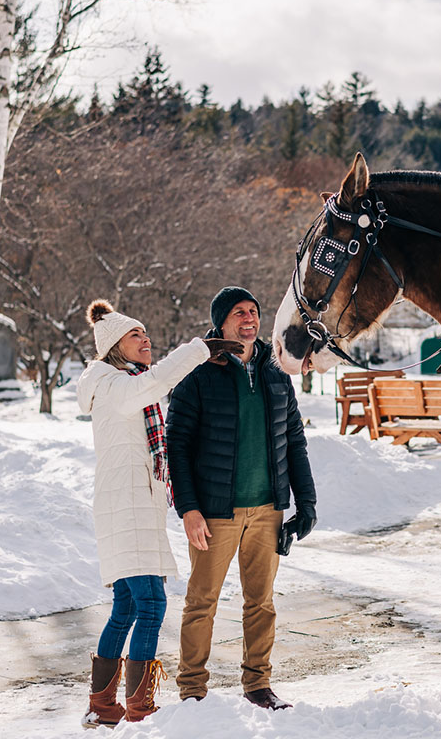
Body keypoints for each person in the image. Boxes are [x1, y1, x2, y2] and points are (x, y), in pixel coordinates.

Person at [76, 299, 242, 728]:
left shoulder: (123, 383)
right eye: (136, 334)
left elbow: (151, 388)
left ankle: (103, 705)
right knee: (150, 604)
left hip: (130, 506)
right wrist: (200, 349)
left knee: (127, 606)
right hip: (124, 505)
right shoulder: (114, 385)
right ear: (115, 345)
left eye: (145, 332)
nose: (146, 338)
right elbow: (153, 385)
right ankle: (139, 707)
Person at [166, 286, 318, 709]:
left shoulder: (274, 368)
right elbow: (176, 444)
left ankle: (257, 684)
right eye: (238, 313)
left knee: (261, 603)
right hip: (216, 512)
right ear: (221, 322)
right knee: (201, 603)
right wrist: (189, 509)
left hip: (268, 509)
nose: (249, 318)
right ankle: (193, 690)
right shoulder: (197, 372)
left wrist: (306, 503)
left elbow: (295, 439)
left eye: (253, 311)